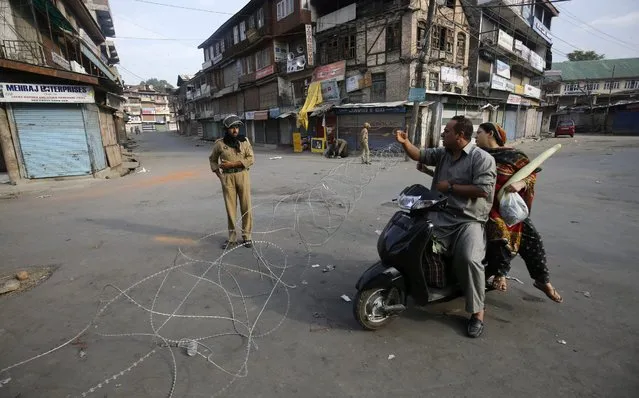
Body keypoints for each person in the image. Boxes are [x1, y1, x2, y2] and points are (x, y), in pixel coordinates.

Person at [395, 115, 496, 338]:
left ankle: (477, 313)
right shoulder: (443, 154)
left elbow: (483, 190)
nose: (443, 134)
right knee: (412, 238)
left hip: (468, 220)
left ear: (460, 136)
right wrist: (405, 143)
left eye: (447, 132)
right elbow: (419, 155)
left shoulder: (482, 159)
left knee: (469, 258)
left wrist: (449, 186)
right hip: (440, 214)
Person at [475, 122, 562, 303]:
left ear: (490, 133)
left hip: (509, 208)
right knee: (500, 232)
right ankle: (500, 274)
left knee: (533, 240)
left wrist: (521, 184)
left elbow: (530, 173)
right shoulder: (477, 156)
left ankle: (542, 280)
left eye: (479, 132)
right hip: (486, 206)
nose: (476, 136)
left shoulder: (514, 155)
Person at [209, 114, 254, 250]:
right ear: (226, 129)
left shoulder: (244, 141)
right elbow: (212, 159)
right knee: (231, 209)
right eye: (232, 128)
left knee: (246, 207)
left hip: (243, 175)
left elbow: (251, 159)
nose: (235, 130)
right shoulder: (220, 144)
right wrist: (220, 176)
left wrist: (232, 164)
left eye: (237, 127)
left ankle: (247, 237)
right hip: (228, 178)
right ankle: (232, 238)